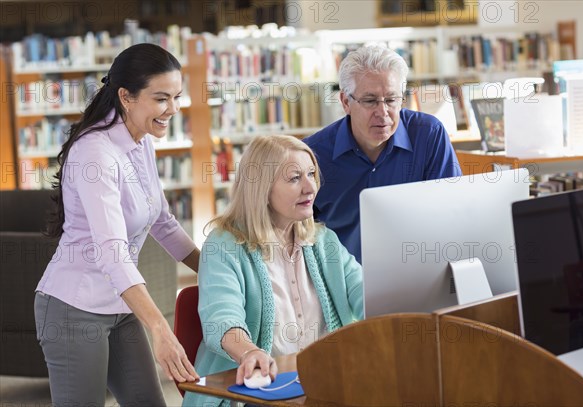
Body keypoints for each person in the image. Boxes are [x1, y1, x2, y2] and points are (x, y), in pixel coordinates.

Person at [35, 43, 200, 406]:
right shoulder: (95, 153)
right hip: (72, 308)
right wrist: (160, 327)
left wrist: (214, 269)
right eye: (161, 98)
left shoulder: (141, 141)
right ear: (126, 96)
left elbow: (162, 221)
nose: (172, 109)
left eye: (176, 97)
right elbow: (112, 253)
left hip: (119, 306)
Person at [182, 135, 364, 406]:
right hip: (254, 393)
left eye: (312, 174)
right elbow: (221, 318)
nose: (310, 187)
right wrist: (249, 353)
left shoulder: (324, 242)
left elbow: (365, 293)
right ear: (262, 189)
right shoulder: (224, 246)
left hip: (324, 385)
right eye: (294, 178)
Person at [304, 45, 462, 263]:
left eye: (391, 99)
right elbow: (295, 235)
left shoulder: (428, 135)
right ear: (345, 102)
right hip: (342, 283)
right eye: (370, 101)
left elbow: (453, 213)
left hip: (418, 271)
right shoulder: (312, 155)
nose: (383, 112)